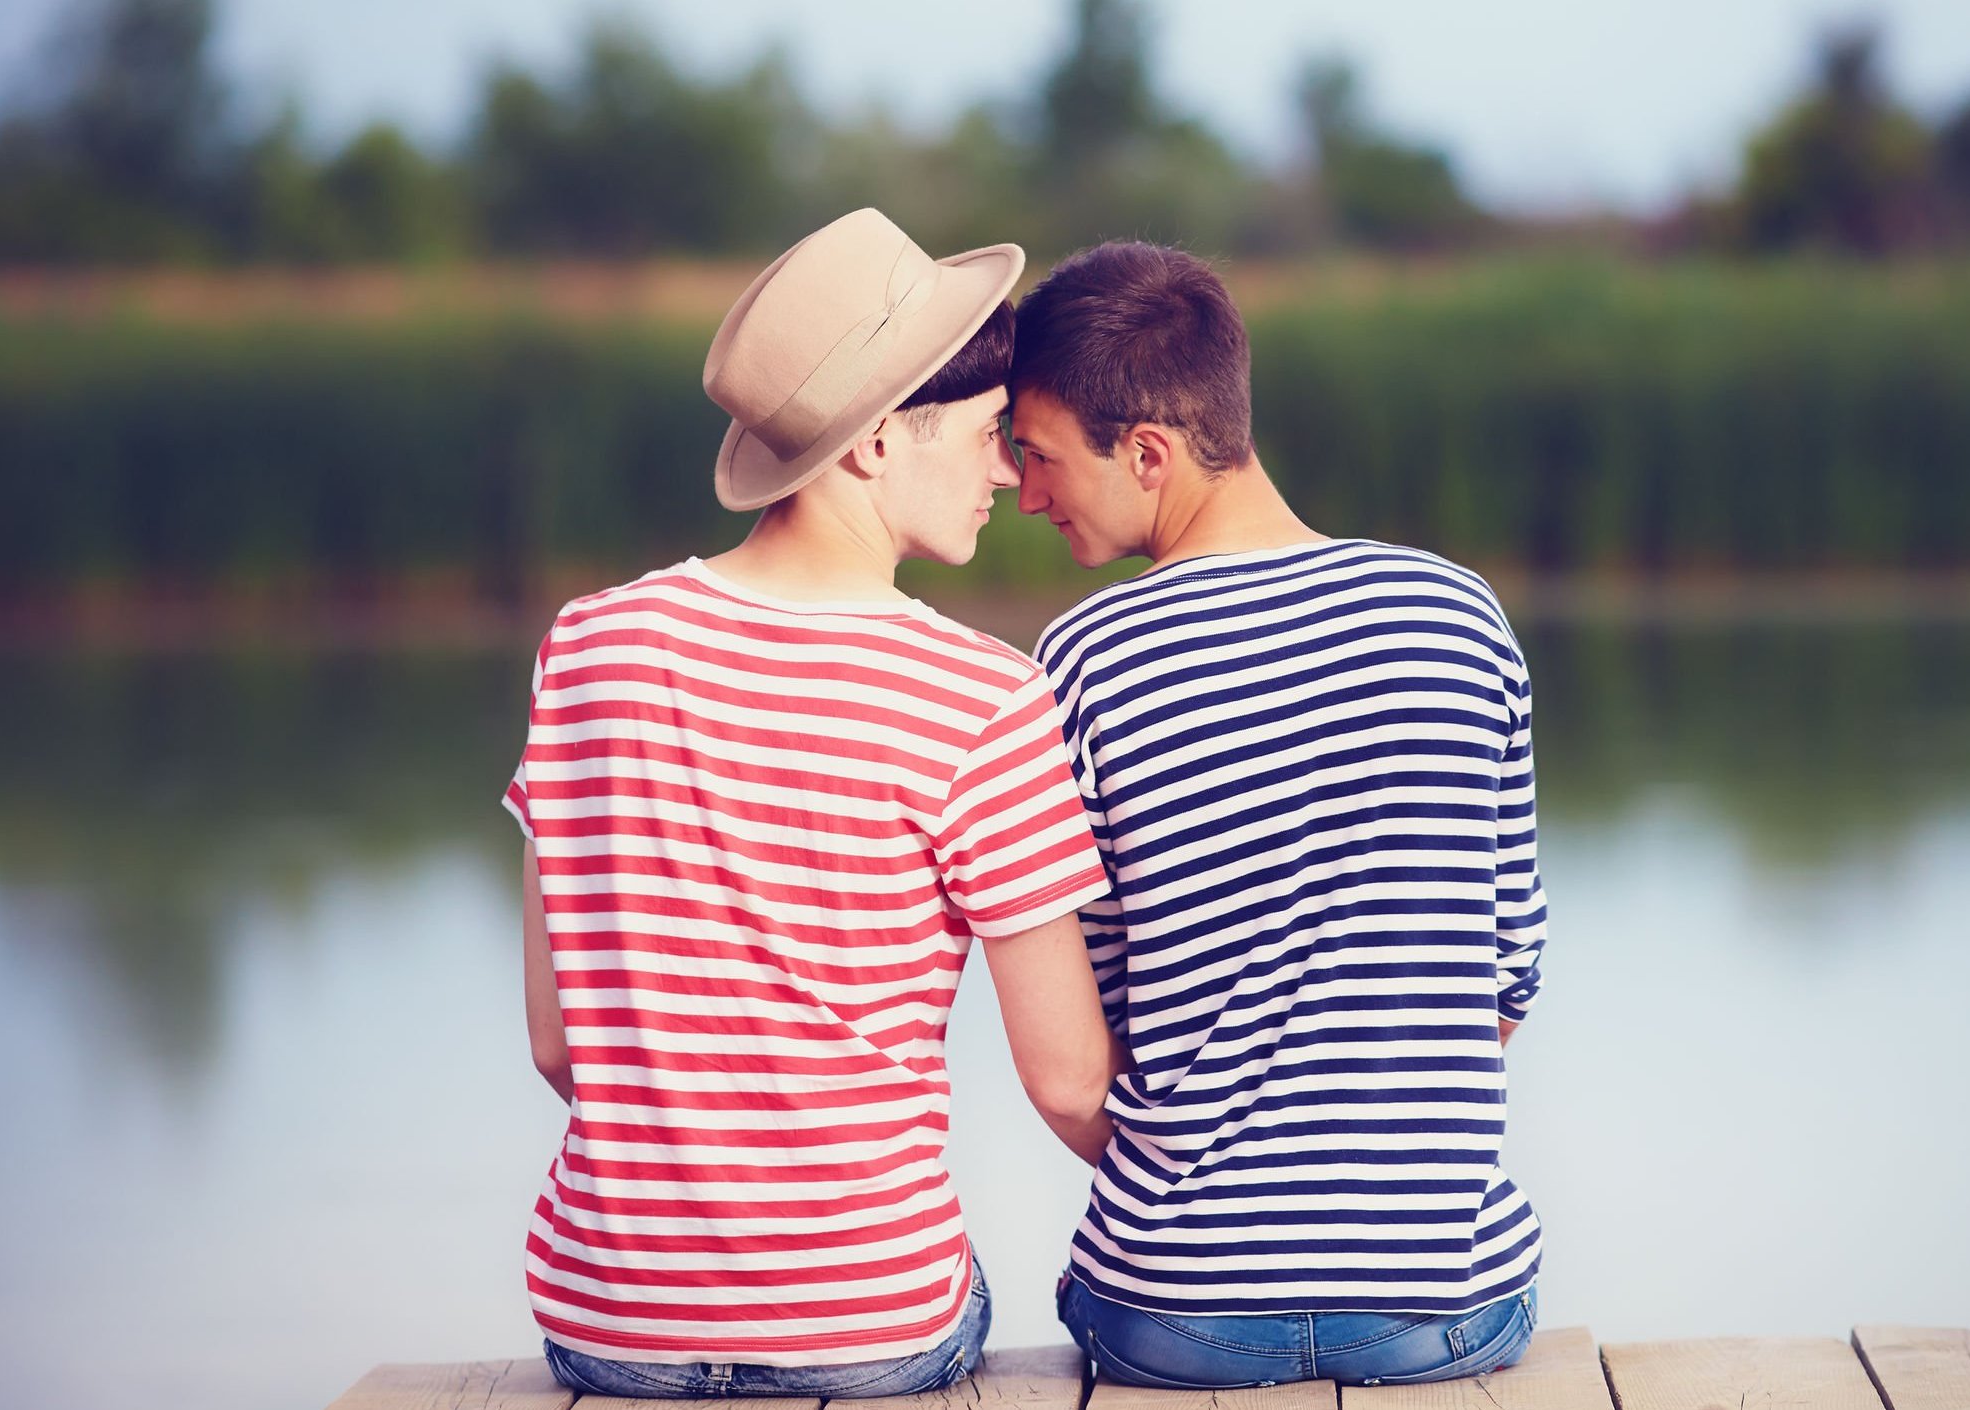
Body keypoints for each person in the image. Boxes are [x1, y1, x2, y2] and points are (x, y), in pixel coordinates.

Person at [502, 209, 1119, 1400]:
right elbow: (1066, 1080)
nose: (1007, 470)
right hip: (868, 1327)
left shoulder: (585, 649)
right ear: (881, 441)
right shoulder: (983, 700)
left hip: (611, 1327)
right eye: (991, 434)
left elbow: (557, 1043)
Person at [1007, 241, 1550, 1389]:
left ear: (1148, 451)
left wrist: (1203, 1198)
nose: (1026, 492)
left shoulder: (1082, 662)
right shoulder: (1458, 616)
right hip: (1447, 1311)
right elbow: (1507, 973)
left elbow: (1088, 1042)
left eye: (1041, 456)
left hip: (1176, 1317)